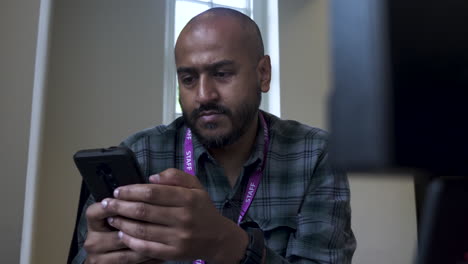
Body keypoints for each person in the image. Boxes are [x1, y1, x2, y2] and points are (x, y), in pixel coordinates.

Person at [69, 7, 356, 264]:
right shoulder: (141, 154)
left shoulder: (315, 155)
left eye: (221, 73)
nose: (204, 96)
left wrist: (230, 246)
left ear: (263, 74)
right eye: (189, 79)